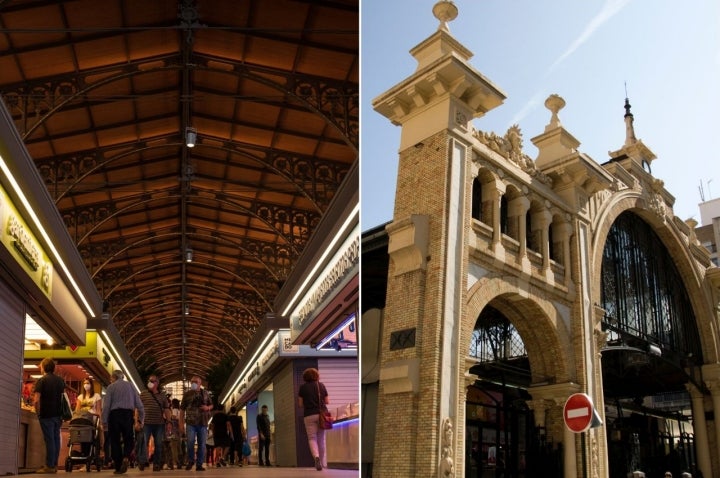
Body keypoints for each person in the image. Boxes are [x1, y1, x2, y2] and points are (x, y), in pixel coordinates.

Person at [102, 370, 144, 475]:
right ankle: (126, 457)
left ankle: (118, 465)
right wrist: (141, 419)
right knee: (128, 438)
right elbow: (139, 404)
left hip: (114, 415)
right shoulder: (130, 386)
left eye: (111, 378)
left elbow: (106, 406)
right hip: (127, 415)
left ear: (113, 377)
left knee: (115, 441)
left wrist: (104, 421)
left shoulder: (111, 387)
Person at [33, 357, 66, 474]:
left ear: (44, 367)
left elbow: (36, 400)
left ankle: (49, 465)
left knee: (50, 440)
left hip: (46, 414)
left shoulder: (42, 381)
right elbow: (63, 398)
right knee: (56, 439)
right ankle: (55, 465)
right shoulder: (60, 381)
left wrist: (37, 412)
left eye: (41, 366)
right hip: (58, 415)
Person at [297, 367, 329, 471]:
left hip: (309, 415)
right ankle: (323, 463)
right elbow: (327, 401)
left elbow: (300, 404)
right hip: (321, 415)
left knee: (312, 438)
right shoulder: (321, 386)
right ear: (316, 376)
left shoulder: (302, 388)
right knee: (321, 439)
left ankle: (316, 457)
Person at [179, 375, 213, 471]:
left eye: (195, 382)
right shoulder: (187, 394)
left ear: (200, 383)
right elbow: (182, 410)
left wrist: (208, 408)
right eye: (192, 382)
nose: (193, 383)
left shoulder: (205, 393)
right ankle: (190, 461)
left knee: (202, 444)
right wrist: (181, 424)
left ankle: (199, 464)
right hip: (190, 423)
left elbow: (212, 404)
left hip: (203, 423)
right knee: (190, 442)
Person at [138, 374, 171, 471]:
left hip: (159, 424)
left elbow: (166, 409)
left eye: (152, 381)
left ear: (157, 383)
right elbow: (138, 408)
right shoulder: (143, 394)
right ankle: (142, 461)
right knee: (144, 442)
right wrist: (137, 421)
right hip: (146, 423)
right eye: (149, 380)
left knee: (158, 443)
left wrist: (169, 422)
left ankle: (156, 463)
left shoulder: (162, 395)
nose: (150, 383)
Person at [75, 377, 103, 458]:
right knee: (83, 438)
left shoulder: (96, 396)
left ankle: (95, 454)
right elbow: (77, 410)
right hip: (83, 420)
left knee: (93, 437)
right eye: (84, 383)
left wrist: (100, 421)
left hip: (92, 420)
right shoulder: (80, 397)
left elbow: (98, 410)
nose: (86, 385)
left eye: (88, 383)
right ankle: (84, 455)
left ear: (91, 385)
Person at [165, 398, 182, 470]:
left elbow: (173, 417)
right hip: (177, 431)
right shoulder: (179, 410)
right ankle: (176, 462)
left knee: (173, 447)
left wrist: (170, 417)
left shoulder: (174, 410)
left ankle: (176, 462)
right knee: (177, 446)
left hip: (173, 431)